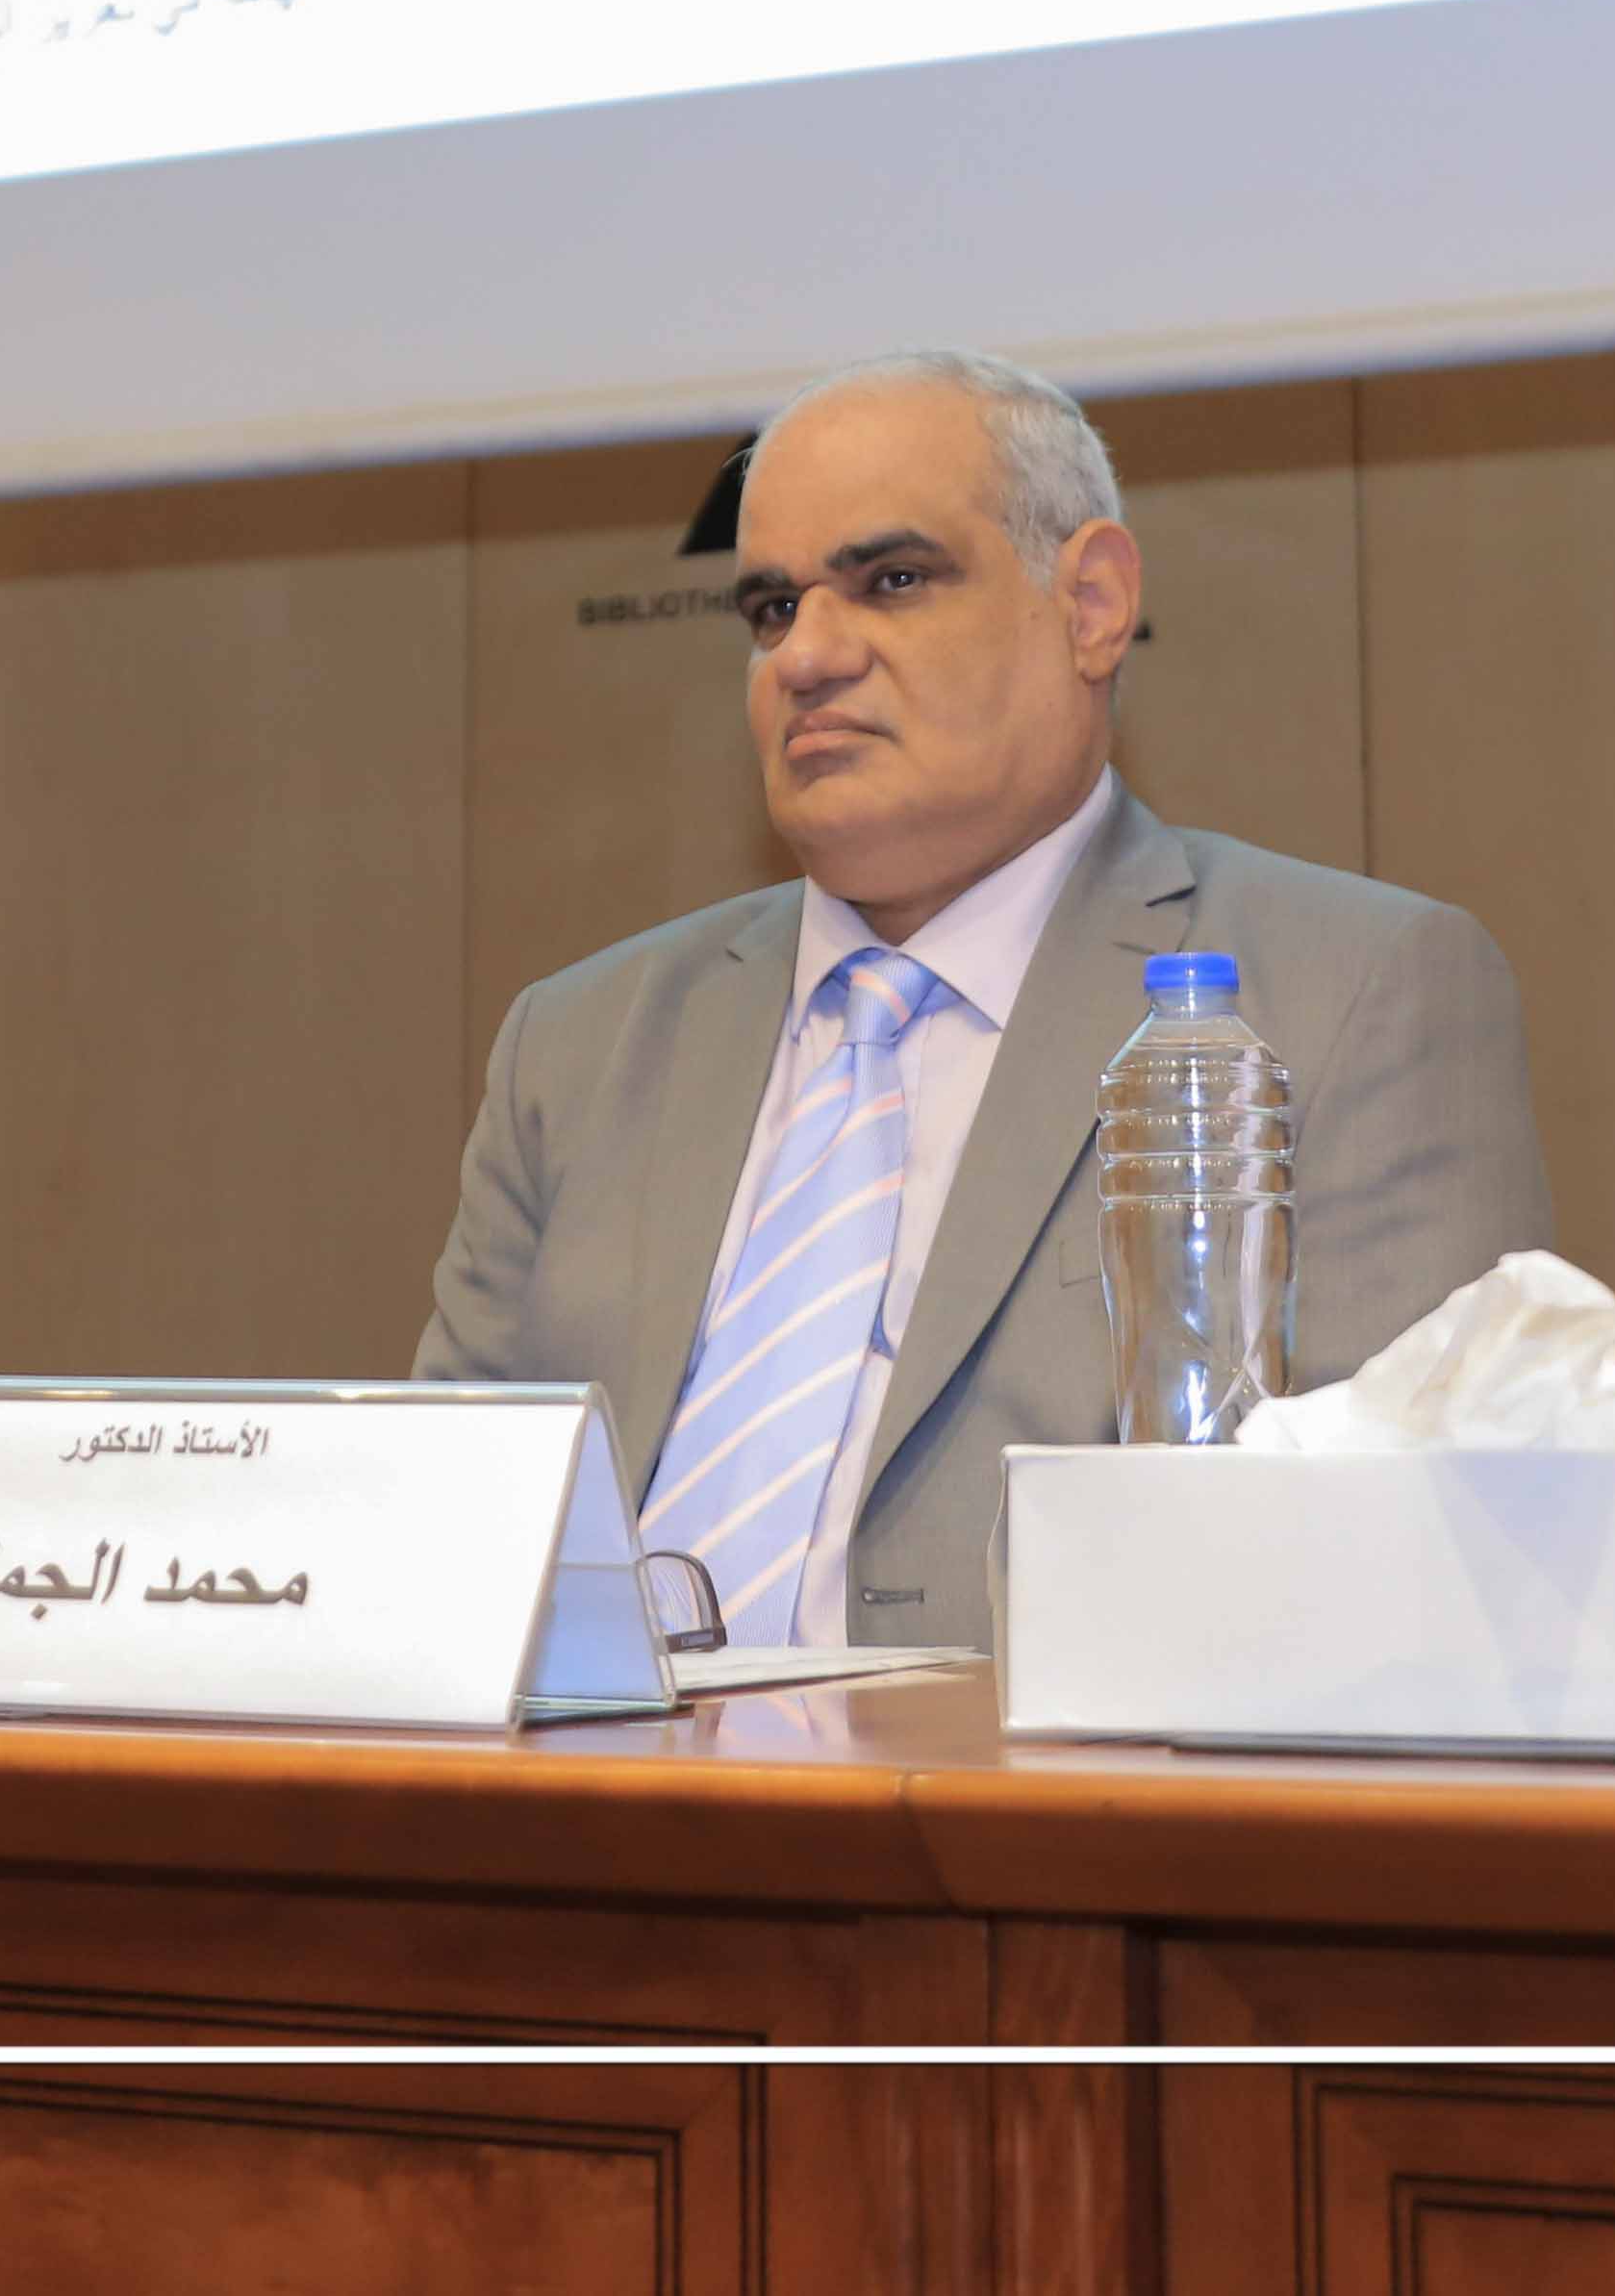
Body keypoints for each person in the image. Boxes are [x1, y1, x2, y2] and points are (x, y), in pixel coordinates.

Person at [422, 350, 1552, 1651]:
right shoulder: (579, 1042)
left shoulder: (1353, 989)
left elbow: (1416, 1587)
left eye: (892, 581)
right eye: (772, 608)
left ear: (1090, 605)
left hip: (1050, 1778)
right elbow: (434, 1553)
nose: (807, 656)